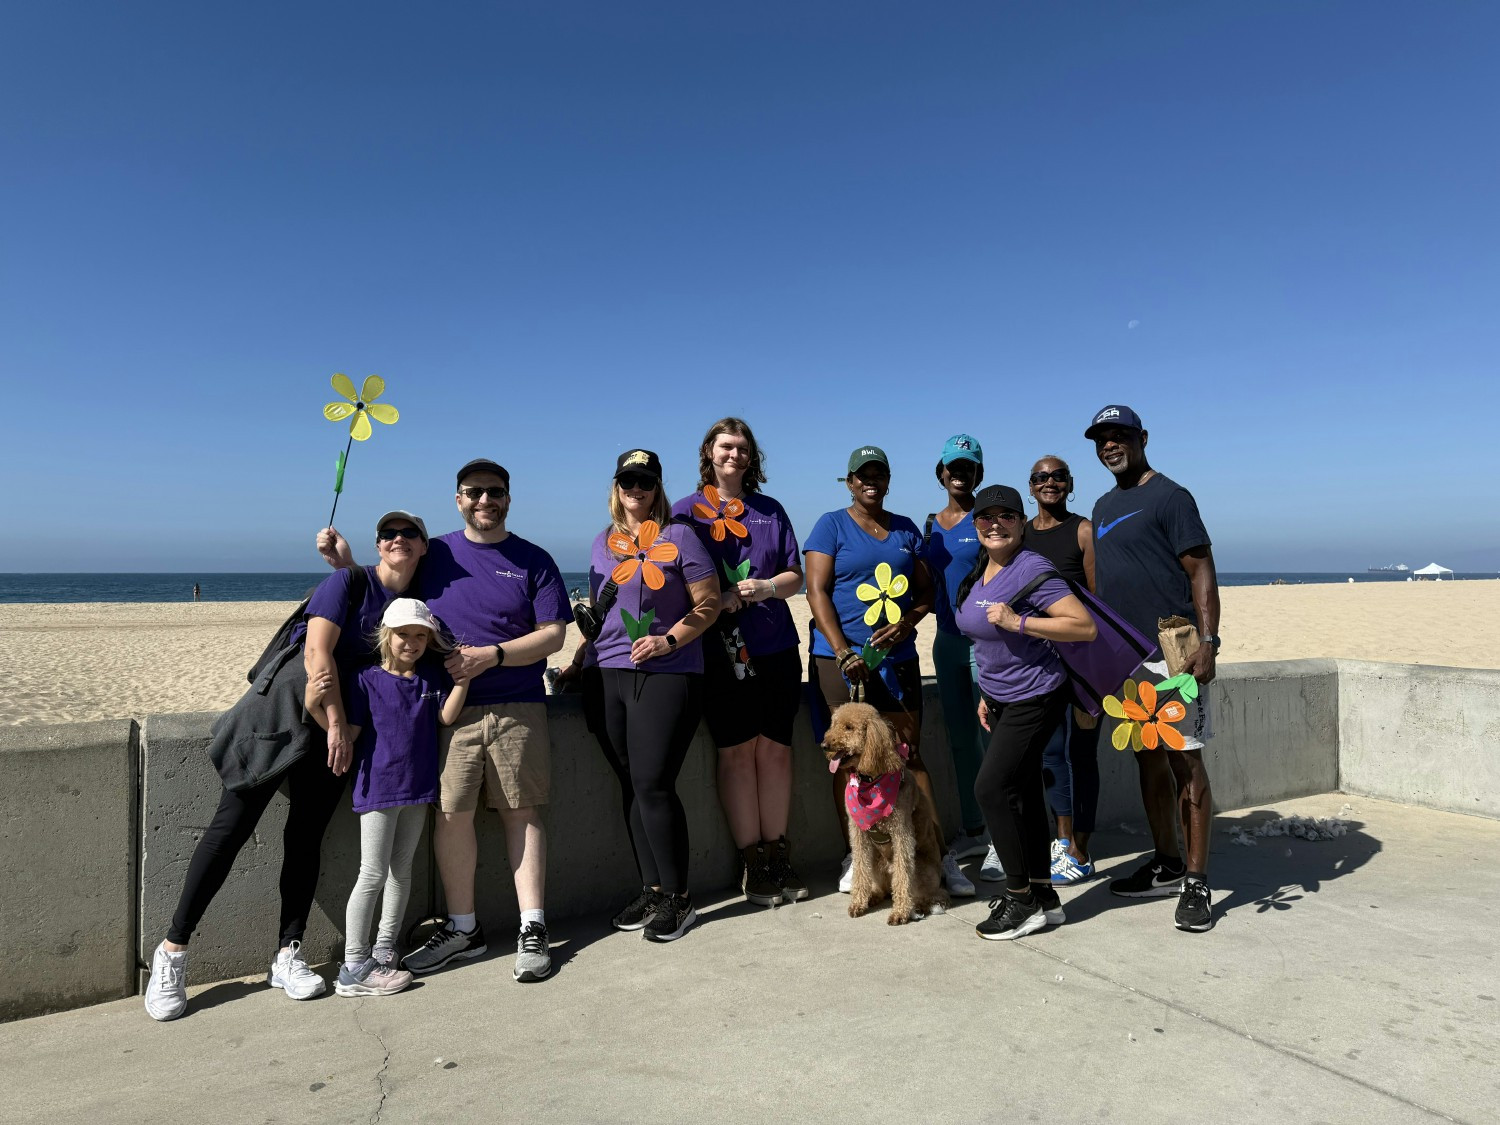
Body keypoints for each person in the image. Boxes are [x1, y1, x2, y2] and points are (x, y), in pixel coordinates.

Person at [144, 511, 426, 1022]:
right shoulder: (345, 582)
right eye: (388, 533)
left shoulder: (400, 604)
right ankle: (173, 951)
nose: (398, 540)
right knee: (228, 830)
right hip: (282, 719)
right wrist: (338, 724)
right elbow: (318, 655)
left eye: (410, 534)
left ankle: (287, 954)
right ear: (378, 544)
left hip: (332, 734)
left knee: (304, 839)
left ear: (424, 547)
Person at [318, 459, 571, 981]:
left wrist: (493, 656)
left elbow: (553, 636)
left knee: (520, 812)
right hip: (444, 711)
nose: (485, 500)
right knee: (451, 816)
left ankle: (533, 927)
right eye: (474, 492)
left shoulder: (534, 559)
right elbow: (388, 588)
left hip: (517, 704)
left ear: (508, 497)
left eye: (494, 492)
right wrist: (345, 566)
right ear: (458, 499)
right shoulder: (437, 553)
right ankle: (463, 929)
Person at [805, 445, 972, 898]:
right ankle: (855, 858)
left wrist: (907, 623)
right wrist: (842, 652)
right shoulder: (830, 525)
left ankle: (935, 854)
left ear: (888, 479)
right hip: (840, 661)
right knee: (845, 761)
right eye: (862, 475)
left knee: (908, 754)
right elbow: (816, 592)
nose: (870, 481)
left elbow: (924, 590)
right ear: (850, 480)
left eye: (878, 473)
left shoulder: (904, 529)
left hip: (896, 661)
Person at [1085, 405, 1220, 932]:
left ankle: (1196, 879)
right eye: (1102, 439)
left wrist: (1207, 640)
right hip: (1124, 658)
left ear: (1142, 438)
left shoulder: (1171, 496)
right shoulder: (1101, 505)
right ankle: (1165, 860)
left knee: (1186, 763)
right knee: (1147, 760)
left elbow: (1201, 567)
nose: (1110, 445)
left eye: (1119, 436)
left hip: (1173, 655)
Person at [579, 449, 719, 942]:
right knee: (631, 785)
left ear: (657, 487)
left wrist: (669, 640)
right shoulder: (603, 542)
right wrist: (581, 658)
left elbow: (710, 602)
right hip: (609, 672)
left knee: (654, 783)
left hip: (668, 672)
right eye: (626, 481)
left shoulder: (680, 536)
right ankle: (653, 888)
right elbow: (602, 612)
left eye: (644, 482)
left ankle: (680, 900)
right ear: (616, 487)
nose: (634, 490)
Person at [669, 418, 807, 906]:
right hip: (717, 652)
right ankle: (752, 862)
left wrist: (766, 587)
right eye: (726, 446)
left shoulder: (770, 510)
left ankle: (778, 853)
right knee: (736, 752)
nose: (735, 455)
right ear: (708, 451)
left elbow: (797, 576)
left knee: (775, 750)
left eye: (744, 448)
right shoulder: (683, 513)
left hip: (775, 647)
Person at [954, 485, 1098, 940]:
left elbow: (1083, 626)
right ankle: (1044, 896)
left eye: (1006, 517)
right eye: (985, 517)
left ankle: (1019, 901)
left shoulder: (1031, 566)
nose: (994, 524)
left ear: (1020, 522)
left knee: (991, 789)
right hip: (999, 699)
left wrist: (1018, 621)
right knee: (1022, 796)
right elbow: (986, 642)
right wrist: (986, 694)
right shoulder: (984, 571)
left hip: (1035, 697)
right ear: (975, 525)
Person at [332, 598, 470, 997]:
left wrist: (462, 681)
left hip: (418, 787)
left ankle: (384, 950)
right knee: (371, 874)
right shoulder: (365, 680)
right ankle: (354, 965)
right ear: (385, 636)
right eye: (403, 635)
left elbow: (446, 717)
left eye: (420, 636)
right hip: (378, 789)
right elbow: (351, 733)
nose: (411, 643)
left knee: (401, 871)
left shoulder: (428, 680)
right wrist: (317, 706)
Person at [1018, 454, 1101, 887]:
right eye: (1040, 478)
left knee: (1083, 754)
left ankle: (1082, 850)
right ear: (1030, 487)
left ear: (1069, 484)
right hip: (1039, 665)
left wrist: (1102, 672)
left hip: (1084, 664)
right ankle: (1062, 842)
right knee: (1051, 753)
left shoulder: (1083, 531)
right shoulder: (1022, 535)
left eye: (1057, 477)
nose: (1049, 483)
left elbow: (1096, 603)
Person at [919, 435, 990, 871]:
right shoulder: (930, 525)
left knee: (994, 739)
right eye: (953, 466)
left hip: (984, 644)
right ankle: (974, 828)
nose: (959, 473)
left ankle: (1005, 834)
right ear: (941, 473)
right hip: (946, 642)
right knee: (961, 740)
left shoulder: (989, 518)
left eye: (968, 466)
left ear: (978, 473)